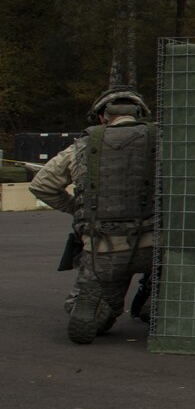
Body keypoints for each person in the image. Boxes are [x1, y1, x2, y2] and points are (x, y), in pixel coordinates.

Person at [30, 87, 158, 345]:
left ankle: (95, 308)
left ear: (101, 117)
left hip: (103, 246)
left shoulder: (82, 146)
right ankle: (158, 301)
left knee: (96, 310)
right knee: (171, 276)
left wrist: (75, 208)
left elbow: (41, 185)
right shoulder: (164, 140)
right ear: (141, 113)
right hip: (156, 241)